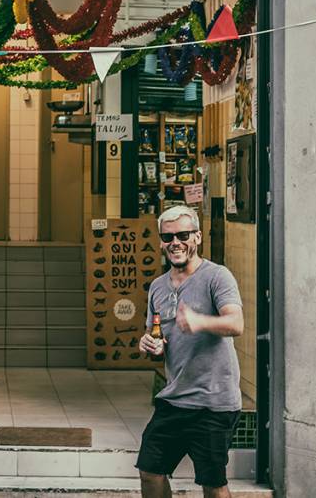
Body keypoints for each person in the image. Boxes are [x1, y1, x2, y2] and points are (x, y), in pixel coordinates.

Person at [136, 205, 244, 498]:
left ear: (197, 237)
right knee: (150, 471)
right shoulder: (158, 287)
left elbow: (236, 323)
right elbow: (157, 336)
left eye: (183, 235)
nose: (175, 243)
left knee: (213, 483)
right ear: (160, 242)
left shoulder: (217, 277)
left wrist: (200, 322)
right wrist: (151, 344)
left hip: (214, 402)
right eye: (168, 237)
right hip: (176, 398)